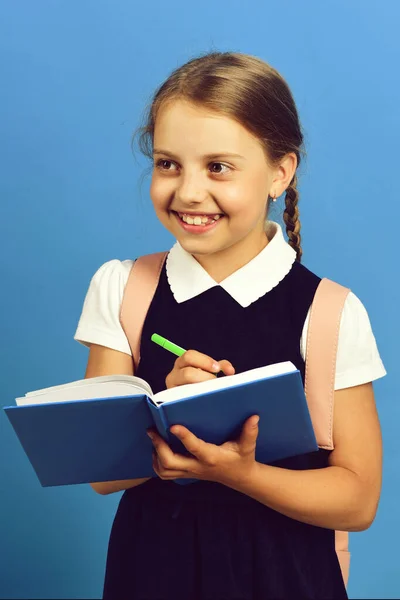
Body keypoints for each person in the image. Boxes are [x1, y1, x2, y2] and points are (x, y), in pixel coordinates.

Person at [74, 51, 386, 600]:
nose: (189, 191)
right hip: (151, 571)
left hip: (287, 576)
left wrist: (241, 474)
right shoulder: (122, 288)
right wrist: (163, 411)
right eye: (168, 163)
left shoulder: (331, 312)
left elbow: (358, 500)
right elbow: (102, 474)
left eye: (218, 167)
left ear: (279, 173)